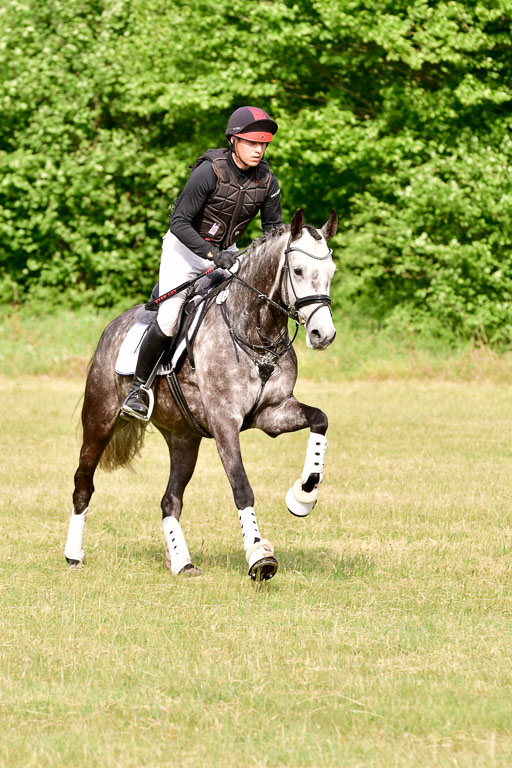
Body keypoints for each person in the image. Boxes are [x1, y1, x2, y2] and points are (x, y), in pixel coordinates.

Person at [121, 106, 283, 420]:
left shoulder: (268, 180)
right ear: (234, 141)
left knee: (243, 306)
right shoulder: (209, 172)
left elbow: (272, 230)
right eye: (252, 143)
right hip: (184, 250)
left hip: (227, 252)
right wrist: (212, 255)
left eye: (263, 145)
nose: (259, 150)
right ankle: (139, 388)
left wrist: (261, 259)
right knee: (169, 317)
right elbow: (179, 222)